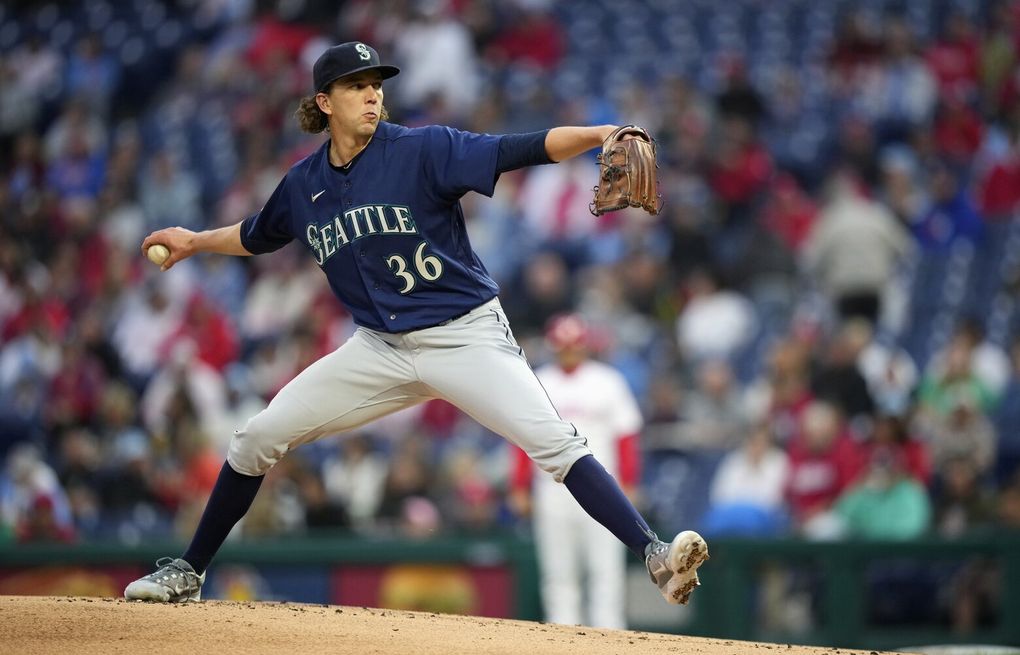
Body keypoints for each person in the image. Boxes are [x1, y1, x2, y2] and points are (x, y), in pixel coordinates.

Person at [123, 42, 707, 605]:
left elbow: (517, 149)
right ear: (325, 101)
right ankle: (188, 571)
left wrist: (600, 135)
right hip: (378, 348)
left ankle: (654, 553)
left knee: (554, 443)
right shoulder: (305, 185)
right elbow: (256, 235)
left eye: (377, 85)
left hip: (464, 333)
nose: (373, 96)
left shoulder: (423, 149)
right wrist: (195, 241)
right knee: (256, 438)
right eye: (357, 87)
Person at [509, 314, 643, 629]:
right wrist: (520, 485)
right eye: (563, 347)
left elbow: (626, 435)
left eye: (574, 346)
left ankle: (609, 639)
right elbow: (520, 437)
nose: (569, 352)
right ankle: (562, 637)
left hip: (602, 489)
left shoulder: (608, 380)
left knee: (605, 571)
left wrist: (630, 481)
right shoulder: (538, 380)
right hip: (551, 490)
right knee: (558, 573)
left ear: (585, 346)